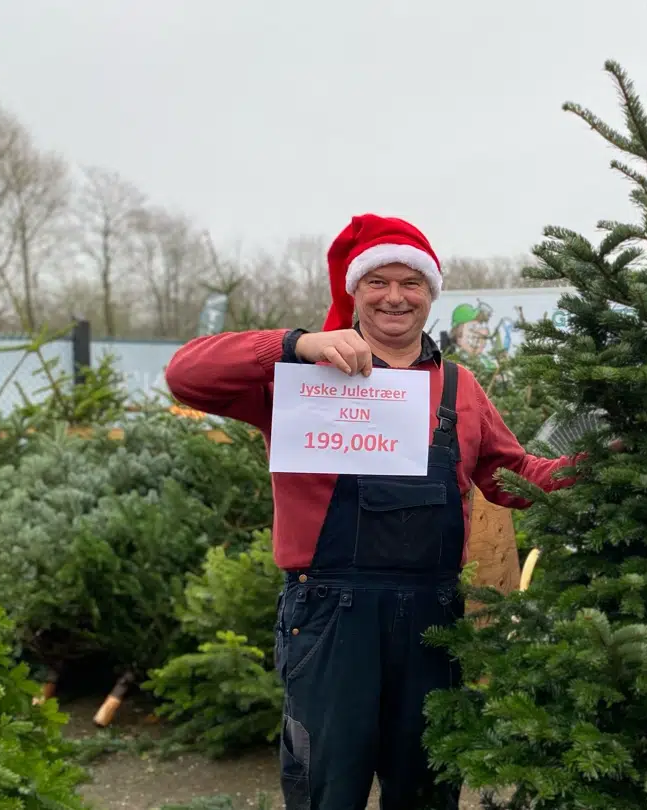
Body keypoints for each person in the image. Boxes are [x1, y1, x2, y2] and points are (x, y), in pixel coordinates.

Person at [164, 214, 579, 810]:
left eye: (411, 283)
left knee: (427, 789)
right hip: (331, 615)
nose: (395, 296)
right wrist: (296, 343)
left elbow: (515, 477)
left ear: (430, 295)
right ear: (355, 292)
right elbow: (185, 374)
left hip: (433, 620)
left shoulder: (460, 389)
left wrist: (595, 466)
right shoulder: (300, 380)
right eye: (378, 281)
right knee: (327, 790)